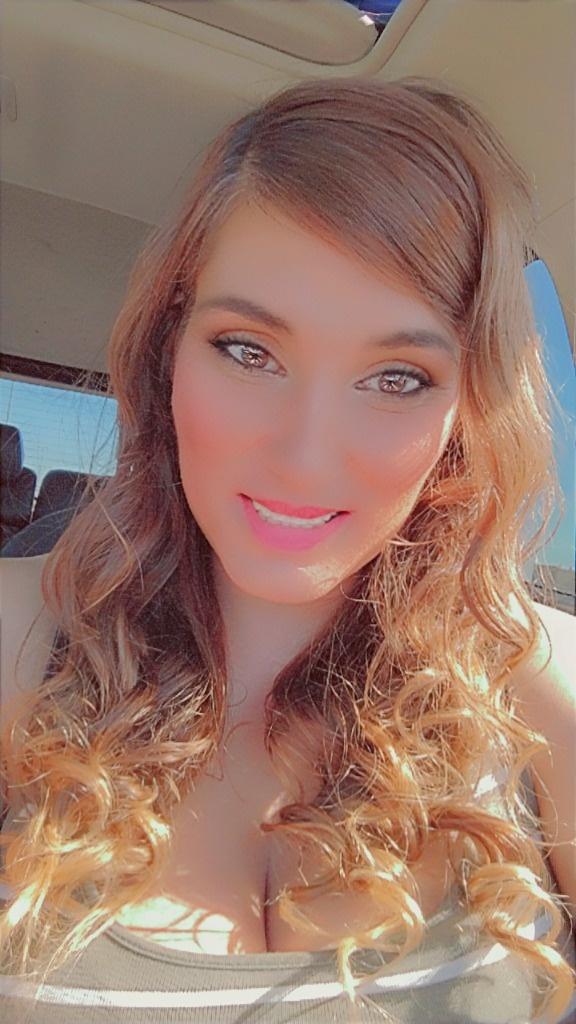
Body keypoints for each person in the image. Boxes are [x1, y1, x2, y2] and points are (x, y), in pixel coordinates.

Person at [0, 74, 575, 1024]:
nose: (306, 458)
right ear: (167, 351)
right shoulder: (18, 640)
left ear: (465, 411)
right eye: (249, 351)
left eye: (398, 377)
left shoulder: (536, 684)